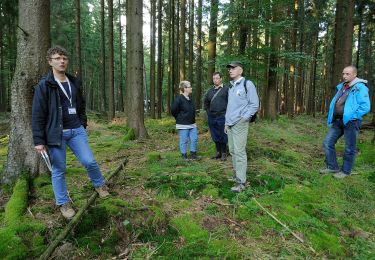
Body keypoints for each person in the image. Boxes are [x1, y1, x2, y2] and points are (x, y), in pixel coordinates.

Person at [32, 46, 109, 219]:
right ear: (50, 61)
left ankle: (100, 185)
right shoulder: (45, 85)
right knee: (59, 169)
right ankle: (63, 202)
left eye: (65, 58)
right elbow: (37, 114)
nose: (62, 61)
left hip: (76, 131)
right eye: (58, 58)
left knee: (89, 161)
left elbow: (80, 105)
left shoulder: (74, 82)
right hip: (55, 134)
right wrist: (39, 140)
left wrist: (83, 123)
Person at [320, 65, 371, 178]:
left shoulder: (360, 87)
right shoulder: (342, 86)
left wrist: (353, 116)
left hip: (351, 122)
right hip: (338, 121)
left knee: (349, 148)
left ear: (354, 74)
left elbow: (365, 106)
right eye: (343, 73)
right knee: (328, 143)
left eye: (347, 74)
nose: (344, 76)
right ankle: (332, 167)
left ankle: (345, 171)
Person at [225, 61, 259, 193]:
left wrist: (244, 118)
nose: (230, 70)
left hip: (240, 123)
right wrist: (226, 122)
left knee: (239, 152)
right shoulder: (232, 86)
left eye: (233, 68)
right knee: (233, 151)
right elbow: (230, 107)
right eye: (229, 69)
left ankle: (241, 182)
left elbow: (254, 104)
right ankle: (236, 175)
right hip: (230, 124)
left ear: (240, 70)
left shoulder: (247, 84)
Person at [171, 81, 201, 161]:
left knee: (194, 139)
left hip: (192, 124)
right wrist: (179, 117)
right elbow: (173, 110)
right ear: (185, 88)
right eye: (189, 87)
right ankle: (184, 156)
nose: (191, 88)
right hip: (183, 124)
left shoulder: (190, 99)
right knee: (184, 141)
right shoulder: (179, 99)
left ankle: (193, 154)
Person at [204, 72, 229, 160]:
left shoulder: (227, 89)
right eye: (214, 78)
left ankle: (224, 153)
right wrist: (208, 113)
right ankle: (218, 152)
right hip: (212, 116)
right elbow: (206, 103)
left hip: (223, 116)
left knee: (223, 134)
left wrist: (228, 114)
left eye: (217, 78)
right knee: (214, 135)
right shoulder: (210, 91)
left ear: (221, 78)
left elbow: (231, 103)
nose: (215, 80)